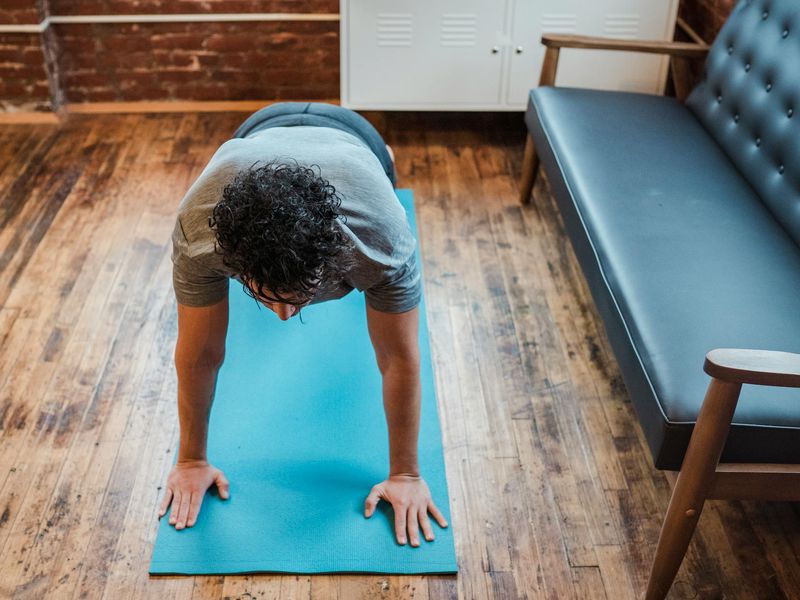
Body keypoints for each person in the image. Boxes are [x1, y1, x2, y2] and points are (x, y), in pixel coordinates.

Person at [158, 102, 448, 548]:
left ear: (331, 264)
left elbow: (399, 358)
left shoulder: (381, 240)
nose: (285, 317)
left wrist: (406, 473)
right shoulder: (201, 235)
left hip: (356, 139)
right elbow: (200, 355)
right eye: (267, 298)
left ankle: (383, 156)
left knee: (384, 170)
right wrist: (191, 459)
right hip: (257, 131)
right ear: (233, 264)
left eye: (301, 299)